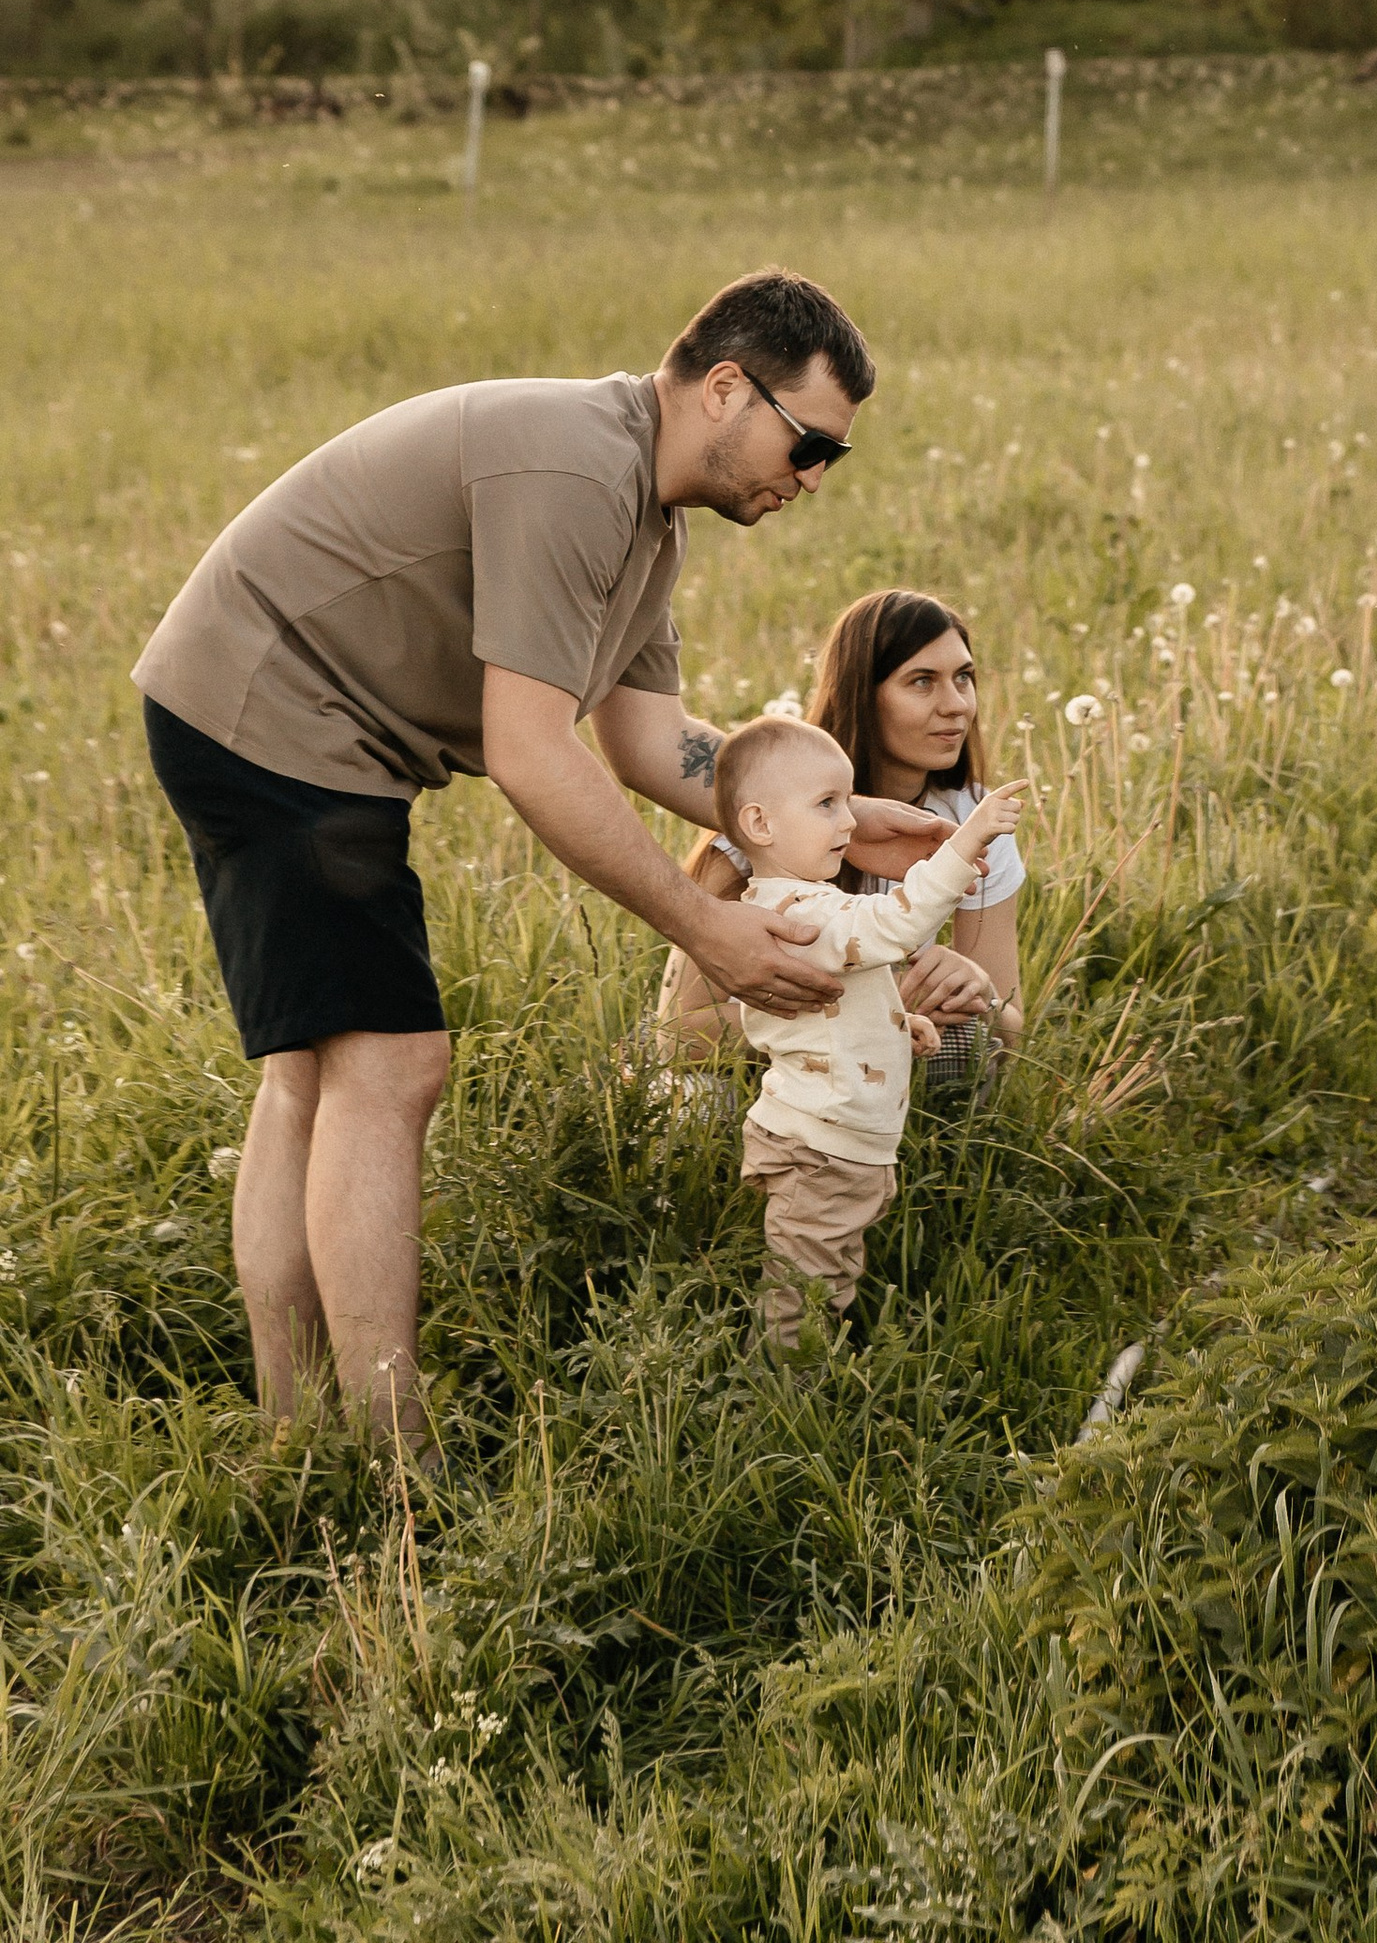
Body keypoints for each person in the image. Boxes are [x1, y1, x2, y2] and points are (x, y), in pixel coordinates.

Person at [133, 268, 943, 1449]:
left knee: (316, 1073)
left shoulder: (646, 523)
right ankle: (385, 1454)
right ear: (727, 388)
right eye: (809, 441)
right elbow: (529, 750)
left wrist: (852, 814)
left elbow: (651, 745)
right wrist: (701, 925)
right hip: (269, 710)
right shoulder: (574, 470)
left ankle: (299, 1428)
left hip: (288, 720)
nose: (813, 477)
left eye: (836, 456)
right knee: (391, 1066)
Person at [686, 715, 1028, 1338]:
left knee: (830, 1268)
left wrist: (903, 1025)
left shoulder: (804, 907)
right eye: (827, 805)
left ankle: (816, 1359)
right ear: (760, 824)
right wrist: (966, 842)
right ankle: (788, 1389)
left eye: (847, 801)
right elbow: (894, 922)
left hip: (842, 1137)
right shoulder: (799, 911)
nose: (850, 822)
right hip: (823, 1143)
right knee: (805, 1283)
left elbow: (834, 1009)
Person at [662, 587, 1024, 1066]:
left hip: (882, 1086)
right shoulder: (765, 821)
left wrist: (979, 992)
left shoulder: (972, 821)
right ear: (861, 695)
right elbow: (677, 1033)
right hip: (763, 1083)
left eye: (963, 677)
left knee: (964, 1048)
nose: (956, 704)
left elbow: (1010, 1033)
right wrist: (871, 1004)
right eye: (922, 681)